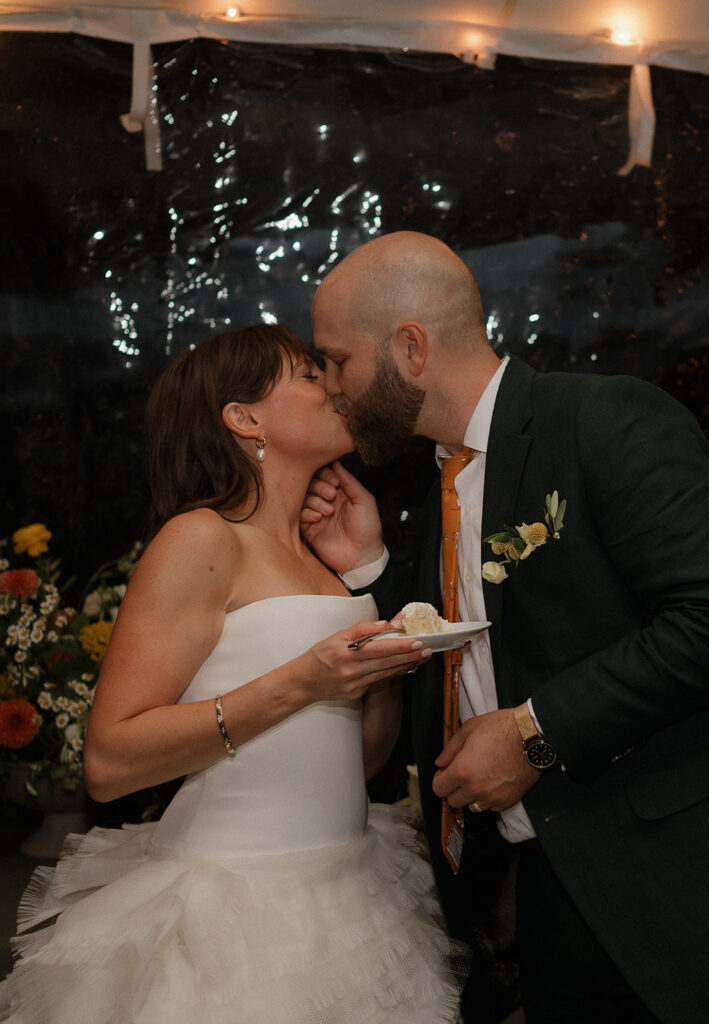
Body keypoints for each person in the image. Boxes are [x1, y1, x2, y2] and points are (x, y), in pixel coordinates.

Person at [302, 231, 709, 1024]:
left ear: (410, 347)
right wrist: (369, 570)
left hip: (691, 899)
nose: (330, 387)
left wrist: (535, 733)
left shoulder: (604, 420)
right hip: (548, 897)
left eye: (336, 361)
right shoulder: (445, 479)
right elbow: (489, 637)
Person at [0, 324, 466, 1024]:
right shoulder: (200, 538)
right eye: (308, 374)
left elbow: (366, 757)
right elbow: (109, 760)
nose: (333, 385)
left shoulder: (328, 562)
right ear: (244, 418)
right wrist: (299, 684)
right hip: (233, 911)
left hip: (348, 891)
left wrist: (369, 571)